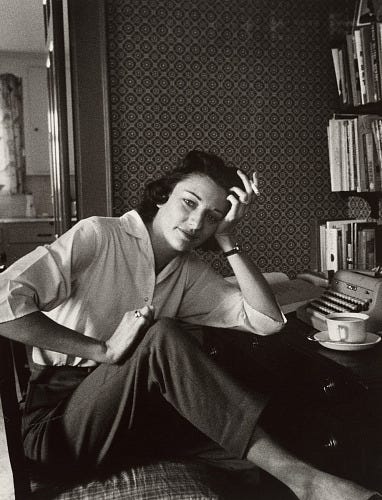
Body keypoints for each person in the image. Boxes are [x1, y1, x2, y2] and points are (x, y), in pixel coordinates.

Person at [0, 150, 378, 500]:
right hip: (57, 430)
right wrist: (102, 350)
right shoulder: (100, 235)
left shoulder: (188, 273)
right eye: (189, 203)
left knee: (260, 451)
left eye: (213, 216)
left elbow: (266, 321)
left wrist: (229, 240)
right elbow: (3, 302)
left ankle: (310, 478)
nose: (197, 222)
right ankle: (305, 481)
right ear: (162, 196)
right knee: (162, 336)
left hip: (129, 420)